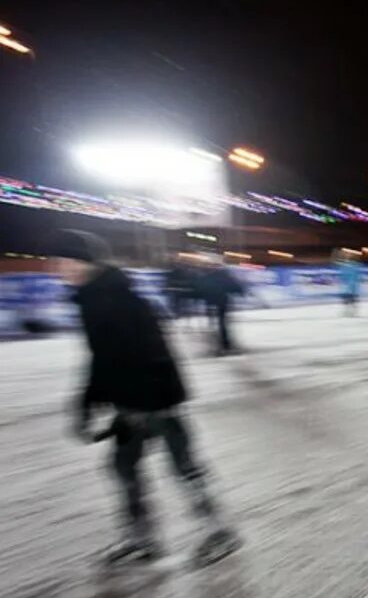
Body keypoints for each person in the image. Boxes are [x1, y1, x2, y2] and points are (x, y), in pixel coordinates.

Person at [50, 230, 239, 568]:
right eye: (59, 261)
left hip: (155, 401)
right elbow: (101, 359)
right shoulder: (94, 300)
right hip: (132, 403)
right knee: (124, 467)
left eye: (68, 261)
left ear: (88, 263)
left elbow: (154, 354)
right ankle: (141, 538)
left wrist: (145, 404)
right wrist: (87, 403)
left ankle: (218, 530)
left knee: (181, 465)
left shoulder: (119, 301)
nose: (61, 268)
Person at [196, 256, 245, 355]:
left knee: (220, 325)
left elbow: (233, 285)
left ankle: (222, 345)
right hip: (218, 302)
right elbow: (233, 285)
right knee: (219, 325)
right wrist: (239, 291)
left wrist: (239, 290)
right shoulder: (217, 275)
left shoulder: (207, 275)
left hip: (218, 303)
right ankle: (221, 345)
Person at [333, 248, 362, 316]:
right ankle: (347, 311)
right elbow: (338, 265)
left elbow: (356, 276)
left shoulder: (355, 266)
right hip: (346, 287)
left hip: (353, 287)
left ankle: (353, 311)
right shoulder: (344, 266)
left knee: (352, 299)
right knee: (346, 299)